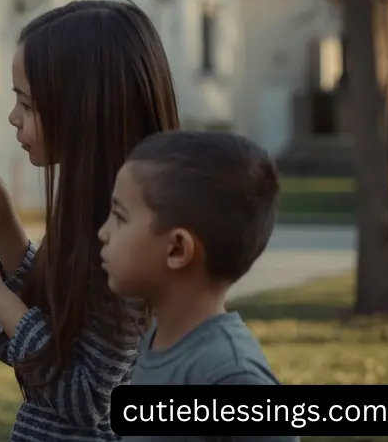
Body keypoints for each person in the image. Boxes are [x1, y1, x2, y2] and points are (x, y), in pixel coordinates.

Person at [0, 0, 180, 440]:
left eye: (28, 104)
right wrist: (4, 226)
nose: (13, 117)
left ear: (85, 109)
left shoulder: (128, 239)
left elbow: (85, 398)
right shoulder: (97, 212)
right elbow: (56, 330)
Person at [98, 130, 296, 442]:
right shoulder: (158, 340)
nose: (103, 233)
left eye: (119, 217)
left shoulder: (230, 375)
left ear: (177, 249)